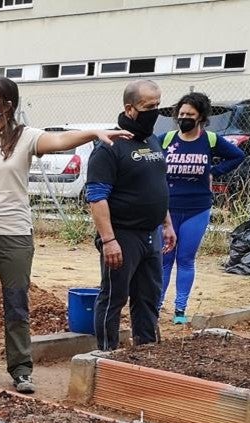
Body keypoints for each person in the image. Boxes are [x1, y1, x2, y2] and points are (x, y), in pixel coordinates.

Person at [0, 77, 131, 392]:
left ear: (7, 104)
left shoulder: (25, 138)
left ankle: (21, 370)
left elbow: (61, 141)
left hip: (14, 236)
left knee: (16, 303)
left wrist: (93, 132)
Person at [85, 79, 177, 351]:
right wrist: (109, 240)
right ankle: (105, 354)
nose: (155, 112)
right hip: (122, 235)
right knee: (114, 296)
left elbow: (157, 186)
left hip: (152, 234)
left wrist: (167, 223)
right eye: (149, 106)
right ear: (130, 109)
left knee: (148, 296)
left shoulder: (152, 141)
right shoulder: (110, 147)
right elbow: (97, 197)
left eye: (158, 105)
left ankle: (146, 350)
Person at [158, 91, 246, 324]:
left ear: (201, 117)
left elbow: (237, 156)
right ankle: (155, 306)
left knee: (185, 259)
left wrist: (213, 172)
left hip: (197, 208)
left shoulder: (210, 140)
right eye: (181, 114)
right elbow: (151, 162)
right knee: (164, 260)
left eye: (190, 114)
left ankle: (180, 310)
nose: (184, 118)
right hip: (167, 209)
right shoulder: (165, 140)